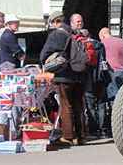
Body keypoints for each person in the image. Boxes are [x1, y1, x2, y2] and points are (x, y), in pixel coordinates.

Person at [40, 11, 86, 146]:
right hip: (80, 75)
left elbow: (43, 56)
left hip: (64, 75)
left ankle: (68, 136)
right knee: (78, 105)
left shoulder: (55, 35)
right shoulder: (77, 33)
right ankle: (81, 136)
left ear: (55, 22)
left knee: (66, 105)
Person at [81, 29, 111, 138]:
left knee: (90, 105)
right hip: (100, 78)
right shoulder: (100, 45)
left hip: (88, 78)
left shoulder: (83, 45)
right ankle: (104, 129)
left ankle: (94, 130)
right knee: (101, 104)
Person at [99, 28, 123, 101]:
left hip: (113, 73)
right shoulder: (122, 42)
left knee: (114, 99)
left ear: (102, 36)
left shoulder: (103, 43)